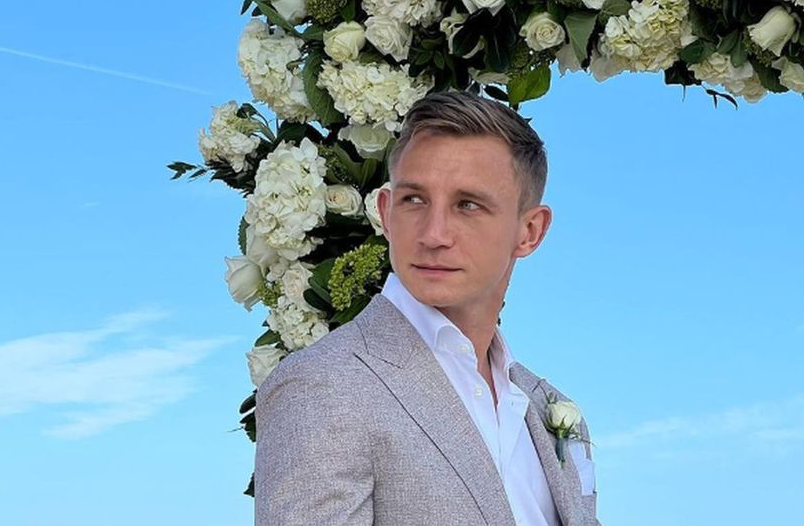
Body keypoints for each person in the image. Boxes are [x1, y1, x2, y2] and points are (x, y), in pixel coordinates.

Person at [254, 91, 599, 525]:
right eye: (414, 199)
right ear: (385, 212)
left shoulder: (548, 404)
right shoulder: (323, 386)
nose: (434, 234)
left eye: (468, 205)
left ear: (530, 231)